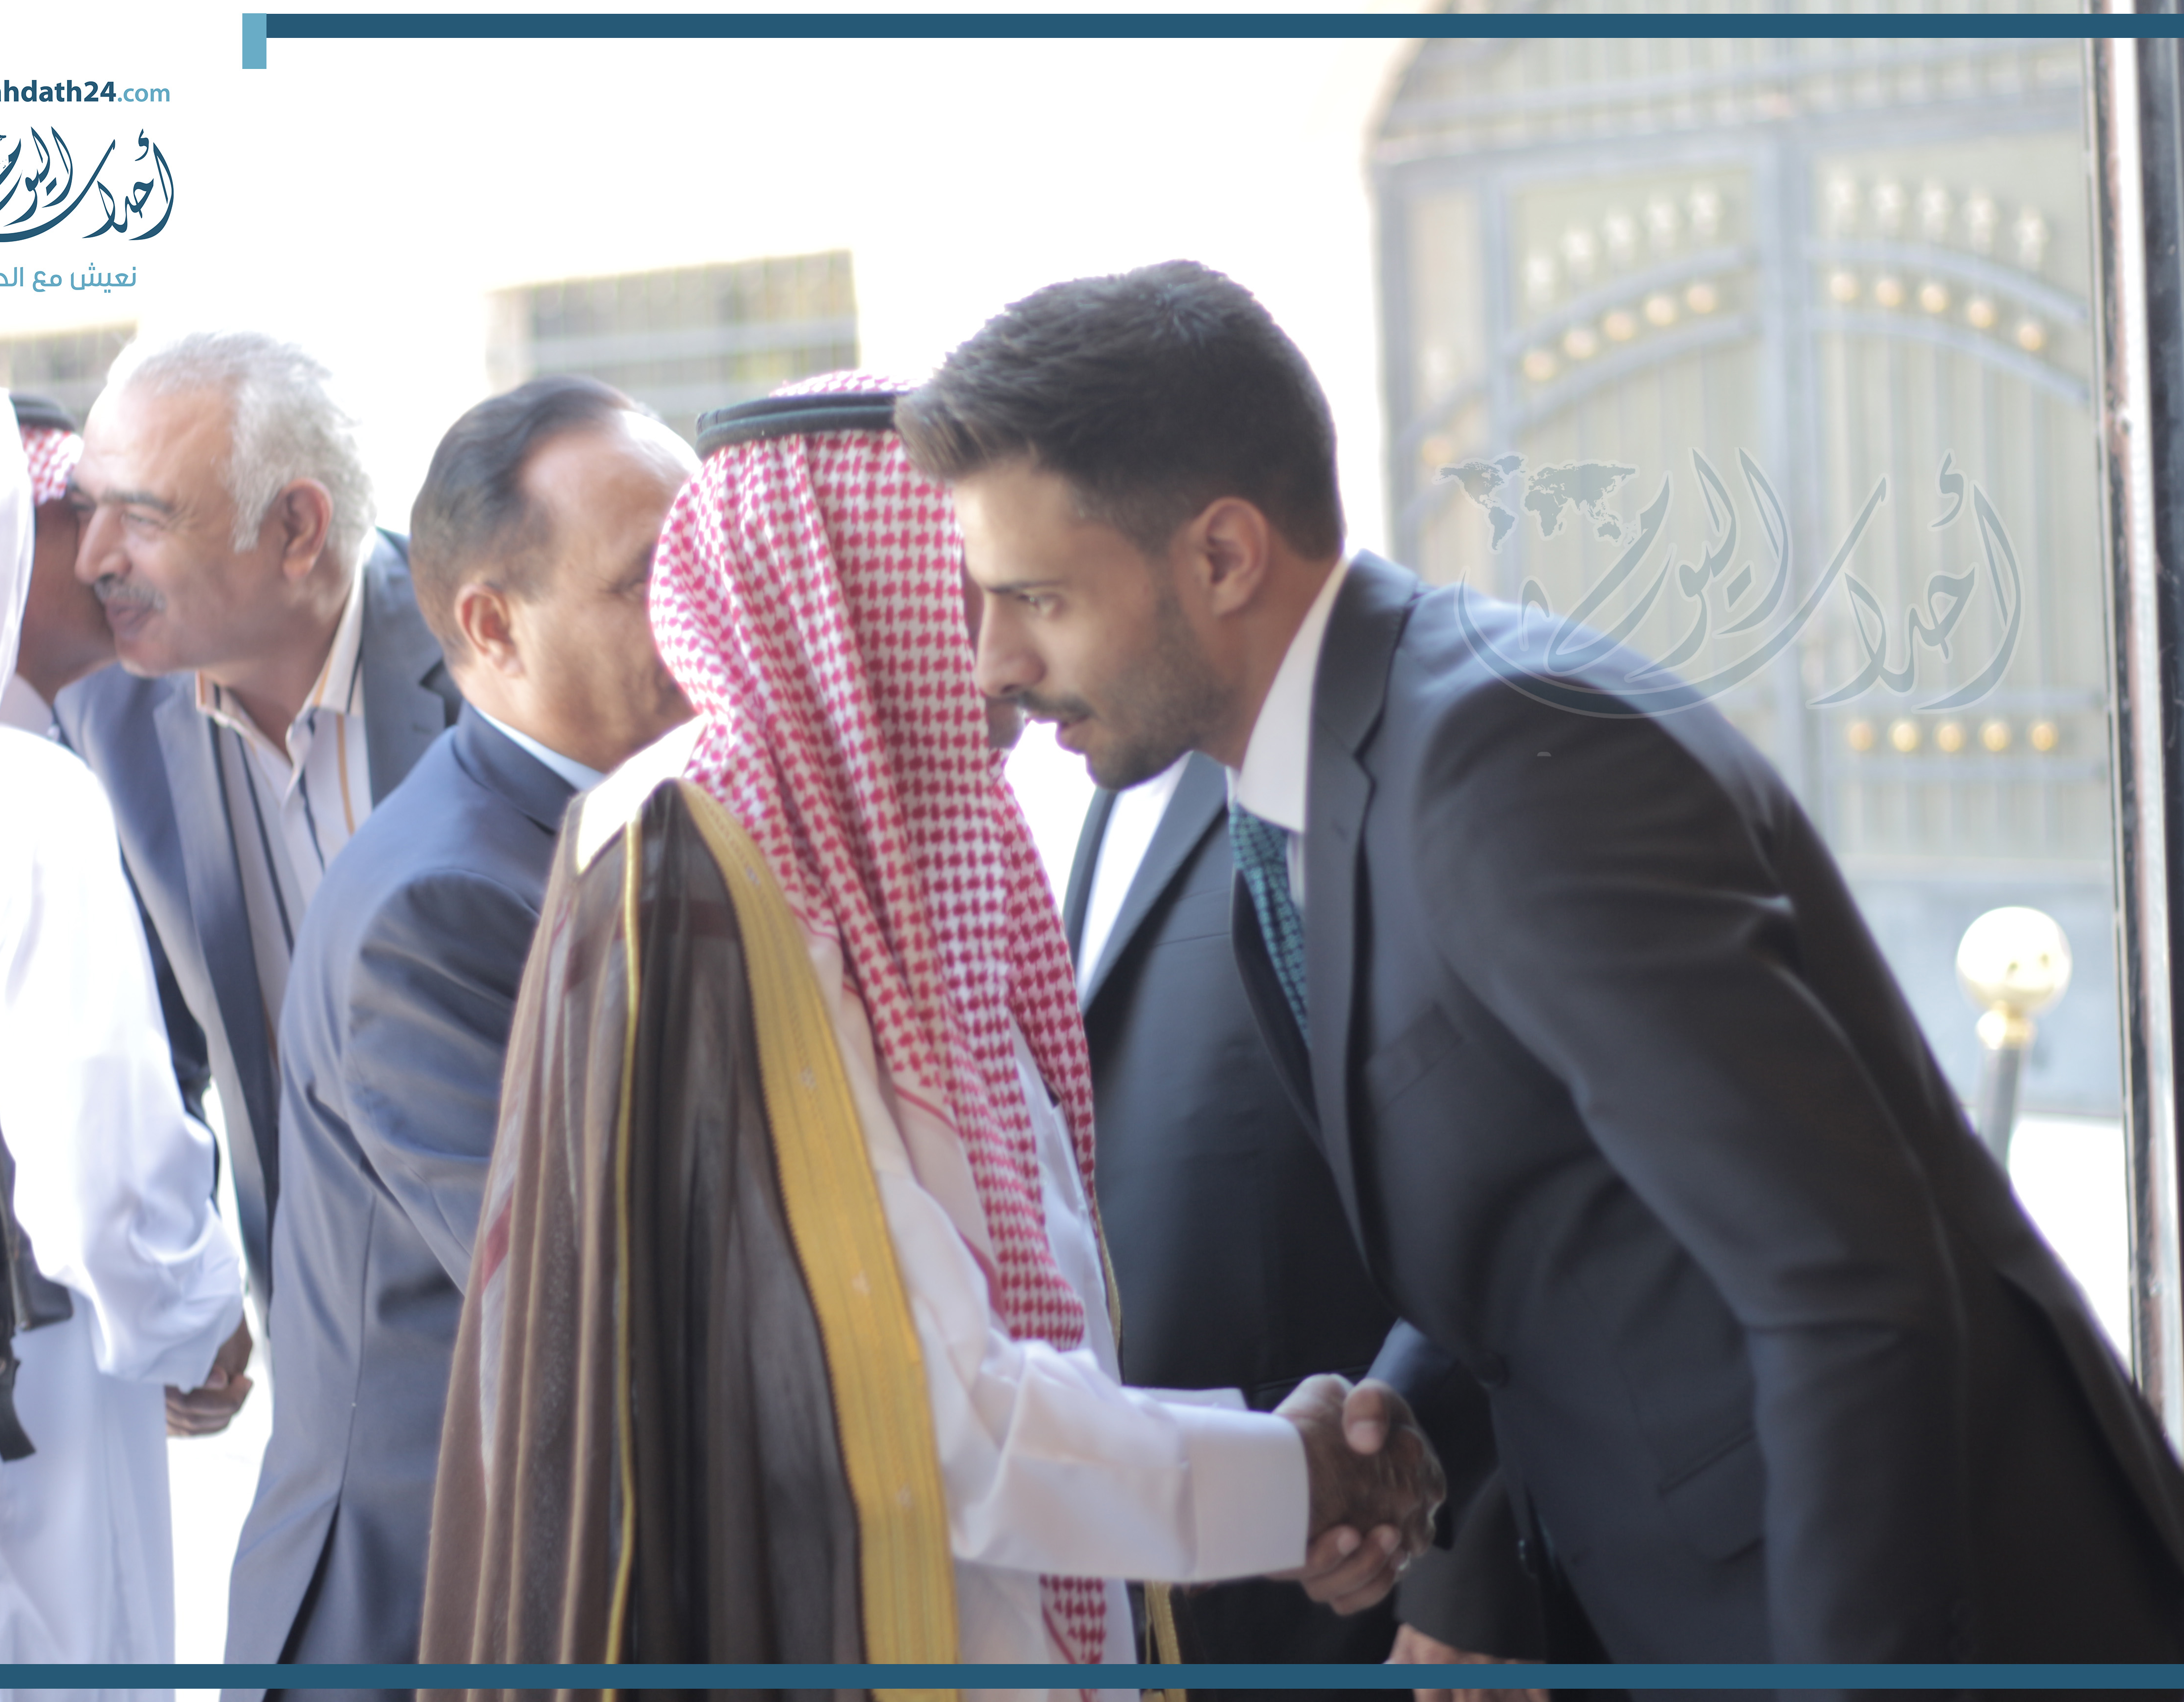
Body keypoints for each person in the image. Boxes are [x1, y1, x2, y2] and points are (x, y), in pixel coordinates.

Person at [903, 260, 2184, 1667]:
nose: (993, 662)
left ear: (1222, 557)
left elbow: (1845, 1287)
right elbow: (1552, 1190)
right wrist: (1404, 1423)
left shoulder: (1503, 768)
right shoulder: (1328, 778)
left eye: (1037, 599)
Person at [420, 374, 1443, 1688]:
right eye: (971, 598)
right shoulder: (709, 873)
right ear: (846, 603)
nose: (1014, 656)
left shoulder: (914, 844)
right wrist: (1288, 1479)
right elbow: (925, 1412)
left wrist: (1279, 1470)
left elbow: (1037, 1311)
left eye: (1032, 597)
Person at [222, 378, 699, 1695]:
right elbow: (586, 1305)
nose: (708, 606)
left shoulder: (632, 813)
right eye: (650, 579)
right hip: (421, 1622)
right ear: (492, 626)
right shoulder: (442, 903)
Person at [0, 379, 247, 1681]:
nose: (110, 552)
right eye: (74, 512)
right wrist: (198, 1322)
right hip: (6, 1430)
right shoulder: (15, 795)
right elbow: (110, 1184)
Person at [1070, 755, 1544, 1692]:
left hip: (1363, 1600)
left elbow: (1513, 1160)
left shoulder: (1365, 760)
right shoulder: (1039, 796)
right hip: (1132, 1605)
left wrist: (1470, 1573)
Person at [56, 330, 463, 1309]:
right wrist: (185, 1298)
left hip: (530, 1301)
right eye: (84, 510)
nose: (93, 558)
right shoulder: (109, 717)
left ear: (296, 529)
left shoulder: (487, 657)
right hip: (309, 1321)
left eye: (140, 516)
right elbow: (151, 1049)